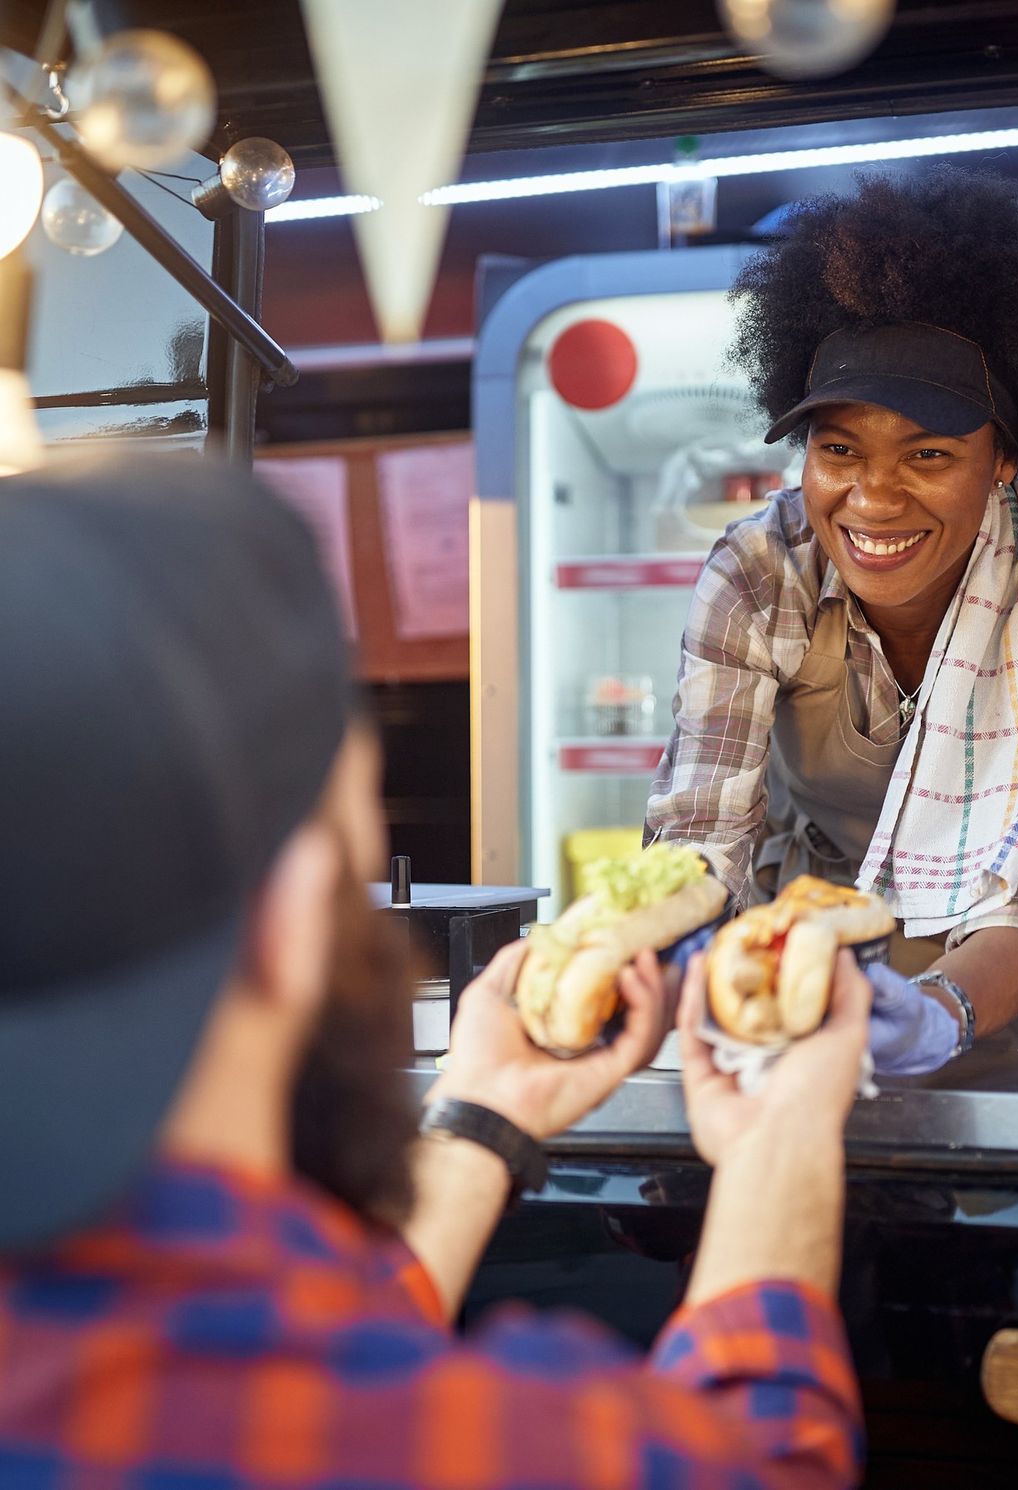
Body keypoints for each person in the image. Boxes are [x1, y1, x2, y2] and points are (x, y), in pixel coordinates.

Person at [0, 456, 867, 1489]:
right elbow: (759, 1467)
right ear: (289, 920)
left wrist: (481, 1116)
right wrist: (781, 1138)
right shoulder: (518, 1449)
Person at [646, 168, 1018, 1075]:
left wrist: (937, 1012)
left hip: (1015, 988)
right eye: (838, 449)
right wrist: (638, 955)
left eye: (927, 453)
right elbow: (699, 841)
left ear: (1005, 457)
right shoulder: (761, 573)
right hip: (814, 958)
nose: (872, 499)